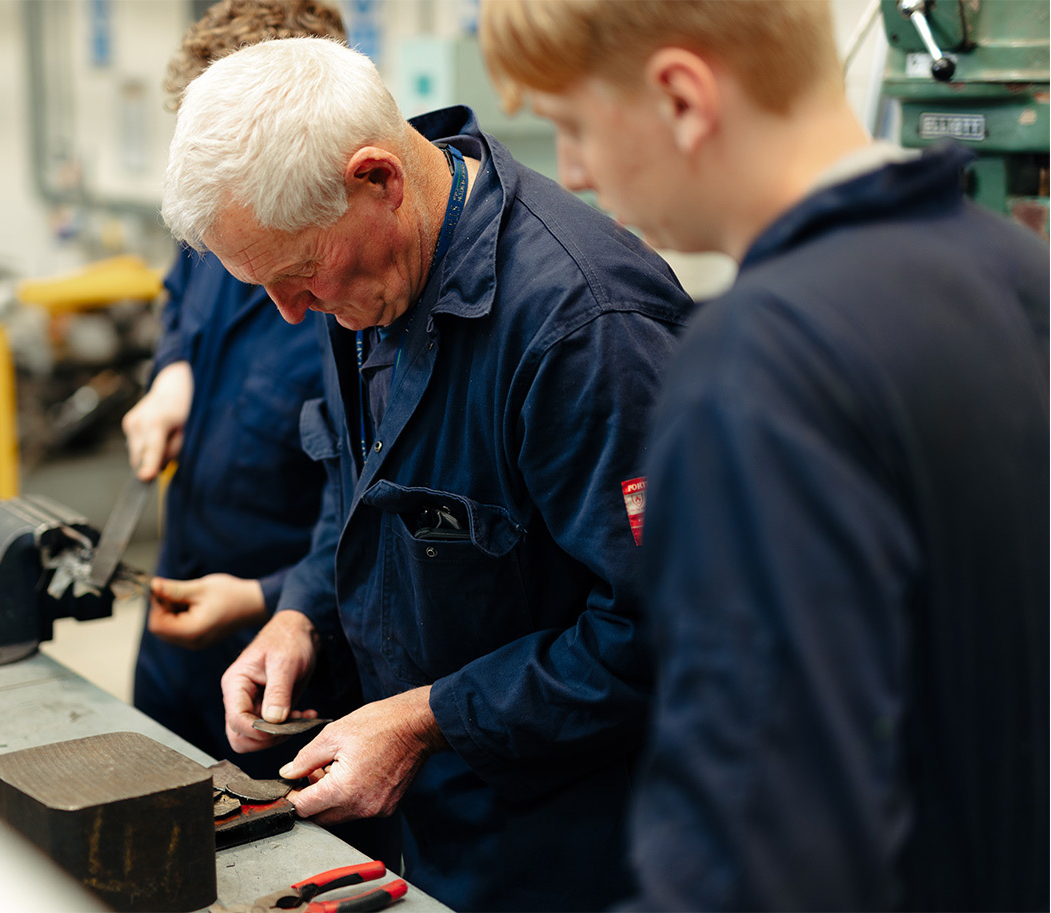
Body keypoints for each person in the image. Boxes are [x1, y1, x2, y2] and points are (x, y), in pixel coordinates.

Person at [479, 2, 1050, 909]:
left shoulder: (760, 366)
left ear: (681, 98)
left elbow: (759, 856)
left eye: (573, 124)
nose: (574, 170)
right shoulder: (1015, 272)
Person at [162, 37, 694, 911]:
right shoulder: (366, 271)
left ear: (378, 179)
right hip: (433, 831)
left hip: (580, 855)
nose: (290, 311)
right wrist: (301, 613)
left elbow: (666, 629)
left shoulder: (586, 332)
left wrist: (424, 718)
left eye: (296, 275)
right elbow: (362, 485)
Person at [122, 0, 349, 781]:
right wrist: (174, 371)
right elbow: (180, 295)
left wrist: (263, 596)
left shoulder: (351, 293)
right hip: (181, 596)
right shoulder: (218, 209)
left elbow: (367, 516)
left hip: (288, 649)